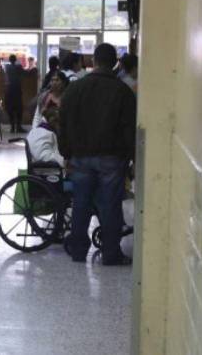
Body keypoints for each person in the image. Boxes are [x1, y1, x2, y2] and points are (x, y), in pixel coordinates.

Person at [59, 43, 136, 266]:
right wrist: (132, 159)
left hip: (80, 157)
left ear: (93, 60)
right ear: (114, 63)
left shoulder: (74, 89)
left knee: (80, 203)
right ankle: (111, 253)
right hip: (112, 159)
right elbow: (128, 128)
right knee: (110, 205)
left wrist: (66, 153)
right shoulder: (123, 92)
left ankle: (78, 251)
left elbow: (63, 123)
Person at [4, 54, 26, 133]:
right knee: (19, 109)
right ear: (15, 60)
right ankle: (19, 127)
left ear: (9, 60)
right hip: (17, 90)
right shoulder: (19, 67)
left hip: (9, 90)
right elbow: (25, 73)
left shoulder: (6, 67)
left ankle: (12, 127)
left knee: (10, 109)